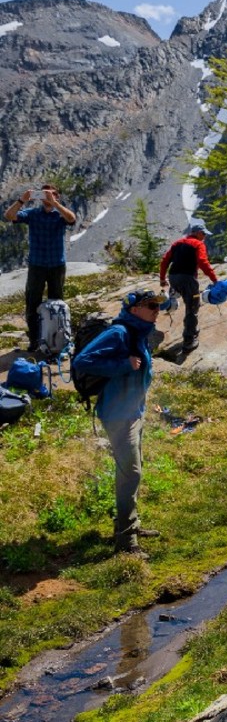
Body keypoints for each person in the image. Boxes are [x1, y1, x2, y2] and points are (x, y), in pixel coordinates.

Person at [71, 288, 165, 557]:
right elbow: (82, 360)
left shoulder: (139, 331)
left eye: (159, 306)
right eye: (151, 306)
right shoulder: (120, 332)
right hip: (117, 415)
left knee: (133, 470)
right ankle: (126, 540)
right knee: (131, 473)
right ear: (134, 309)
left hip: (134, 411)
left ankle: (130, 524)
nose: (156, 311)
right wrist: (123, 364)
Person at [4, 183, 77, 353]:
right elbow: (9, 215)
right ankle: (35, 341)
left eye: (51, 194)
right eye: (44, 195)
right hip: (37, 265)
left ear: (57, 196)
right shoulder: (33, 214)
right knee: (32, 303)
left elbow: (72, 218)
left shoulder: (60, 215)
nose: (47, 198)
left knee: (57, 302)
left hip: (56, 265)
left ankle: (56, 340)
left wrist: (55, 204)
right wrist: (22, 200)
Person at [158, 220, 220, 350]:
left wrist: (163, 279)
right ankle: (189, 340)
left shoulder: (177, 243)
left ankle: (173, 296)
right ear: (197, 233)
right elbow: (202, 262)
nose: (205, 236)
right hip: (188, 279)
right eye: (204, 233)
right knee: (192, 307)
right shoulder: (198, 244)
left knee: (187, 299)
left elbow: (165, 260)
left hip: (173, 277)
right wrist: (215, 280)